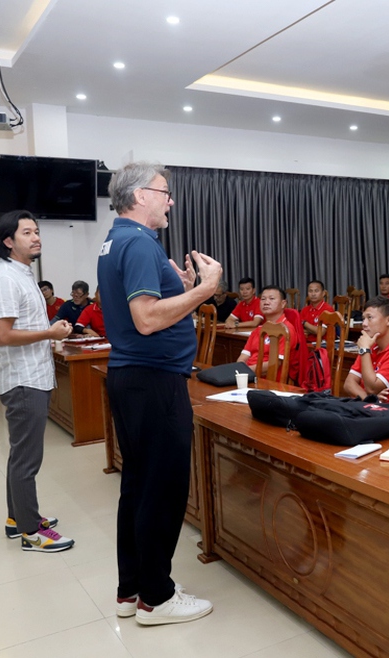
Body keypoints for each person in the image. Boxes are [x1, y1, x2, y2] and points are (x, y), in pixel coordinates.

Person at [98, 162, 222, 626]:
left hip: (133, 377)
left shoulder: (118, 241)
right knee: (163, 490)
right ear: (140, 196)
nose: (170, 200)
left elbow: (147, 312)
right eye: (164, 192)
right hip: (153, 381)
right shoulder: (137, 243)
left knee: (137, 487)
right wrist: (207, 289)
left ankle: (131, 590)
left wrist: (184, 290)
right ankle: (157, 597)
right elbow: (147, 318)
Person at [0, 210, 75, 553]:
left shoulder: (21, 275)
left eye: (36, 231)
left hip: (32, 375)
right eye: (27, 233)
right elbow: (4, 335)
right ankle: (30, 532)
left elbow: (20, 329)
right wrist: (49, 332)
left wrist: (50, 335)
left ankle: (15, 519)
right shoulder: (5, 278)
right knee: (27, 459)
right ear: (8, 242)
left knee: (21, 455)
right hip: (23, 380)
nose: (36, 237)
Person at [343, 295, 389, 404]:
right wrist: (369, 399)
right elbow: (348, 384)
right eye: (364, 318)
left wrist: (364, 350)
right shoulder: (370, 345)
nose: (364, 324)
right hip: (367, 409)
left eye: (370, 318)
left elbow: (372, 388)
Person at [236, 286, 302, 374]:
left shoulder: (286, 330)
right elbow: (243, 357)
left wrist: (244, 371)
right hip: (249, 374)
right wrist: (240, 371)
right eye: (263, 299)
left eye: (271, 299)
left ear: (283, 303)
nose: (266, 302)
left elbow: (275, 364)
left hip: (269, 380)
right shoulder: (258, 330)